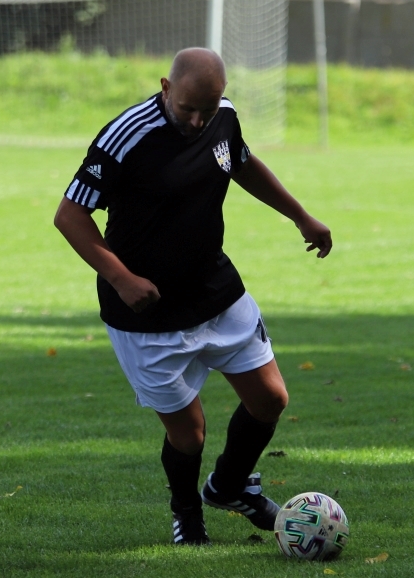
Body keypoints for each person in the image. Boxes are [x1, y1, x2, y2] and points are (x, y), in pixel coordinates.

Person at [53, 48, 333, 545]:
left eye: (210, 107)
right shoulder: (125, 136)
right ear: (165, 87)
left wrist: (301, 216)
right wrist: (121, 278)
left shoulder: (222, 119)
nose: (199, 120)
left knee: (271, 398)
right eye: (187, 109)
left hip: (215, 291)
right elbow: (70, 216)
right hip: (146, 311)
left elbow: (241, 164)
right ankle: (186, 513)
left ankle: (227, 486)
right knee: (190, 433)